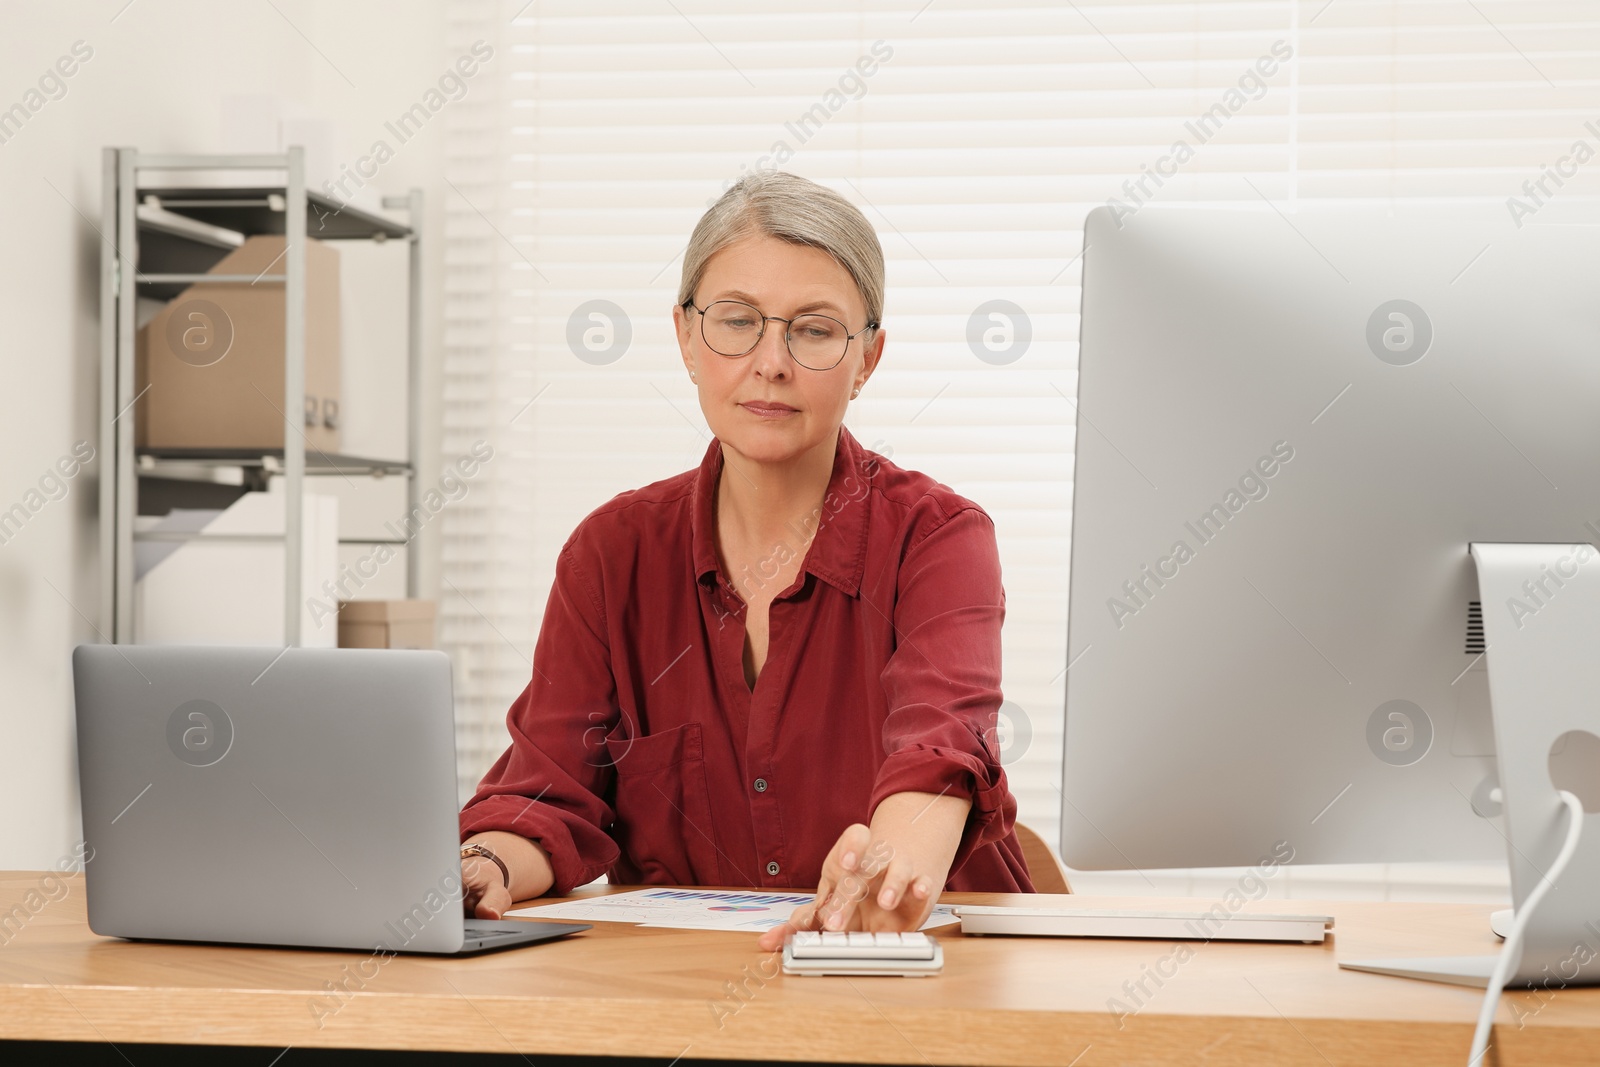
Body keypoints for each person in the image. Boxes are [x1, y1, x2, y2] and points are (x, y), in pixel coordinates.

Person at [458, 171, 1034, 947]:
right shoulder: (610, 554)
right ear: (686, 339)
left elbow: (938, 752)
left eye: (815, 329)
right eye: (737, 321)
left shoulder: (939, 538)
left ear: (868, 357)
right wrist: (484, 862)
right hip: (692, 999)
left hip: (923, 981)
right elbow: (549, 793)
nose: (771, 362)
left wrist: (884, 871)